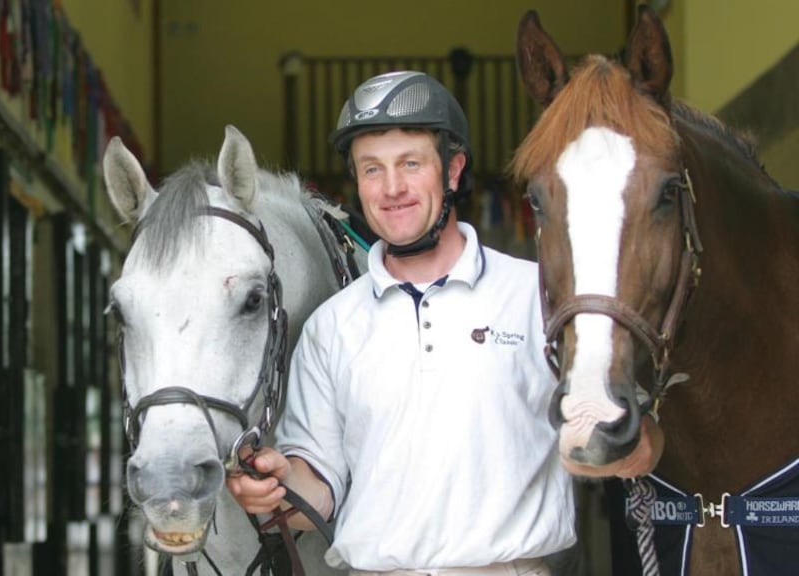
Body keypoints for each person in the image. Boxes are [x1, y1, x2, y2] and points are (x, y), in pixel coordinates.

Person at [227, 71, 663, 575]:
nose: (391, 189)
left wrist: (633, 443)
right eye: (372, 169)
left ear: (453, 171)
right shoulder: (332, 328)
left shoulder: (538, 296)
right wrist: (279, 485)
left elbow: (630, 439)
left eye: (411, 164)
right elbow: (319, 491)